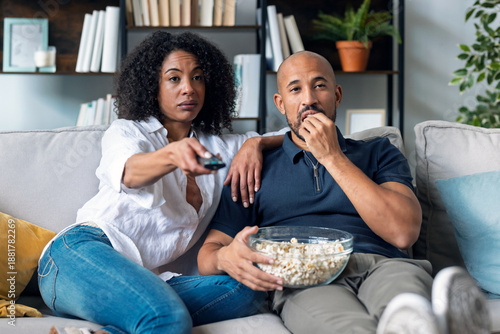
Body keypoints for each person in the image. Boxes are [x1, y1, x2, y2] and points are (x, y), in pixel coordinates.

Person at [198, 51, 490, 334]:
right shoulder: (253, 168)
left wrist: (332, 158)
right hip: (306, 280)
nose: (309, 99)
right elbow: (208, 254)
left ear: (336, 95)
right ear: (281, 103)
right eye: (295, 89)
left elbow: (403, 233)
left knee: (408, 311)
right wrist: (226, 258)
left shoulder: (377, 152)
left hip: (385, 266)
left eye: (319, 85)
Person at [39, 31, 284, 334]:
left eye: (197, 78)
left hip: (145, 280)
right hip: (78, 256)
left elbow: (292, 136)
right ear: (151, 86)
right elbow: (129, 172)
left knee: (246, 289)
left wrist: (254, 144)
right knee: (168, 319)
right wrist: (172, 155)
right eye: (174, 79)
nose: (188, 89)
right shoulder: (130, 132)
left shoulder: (216, 150)